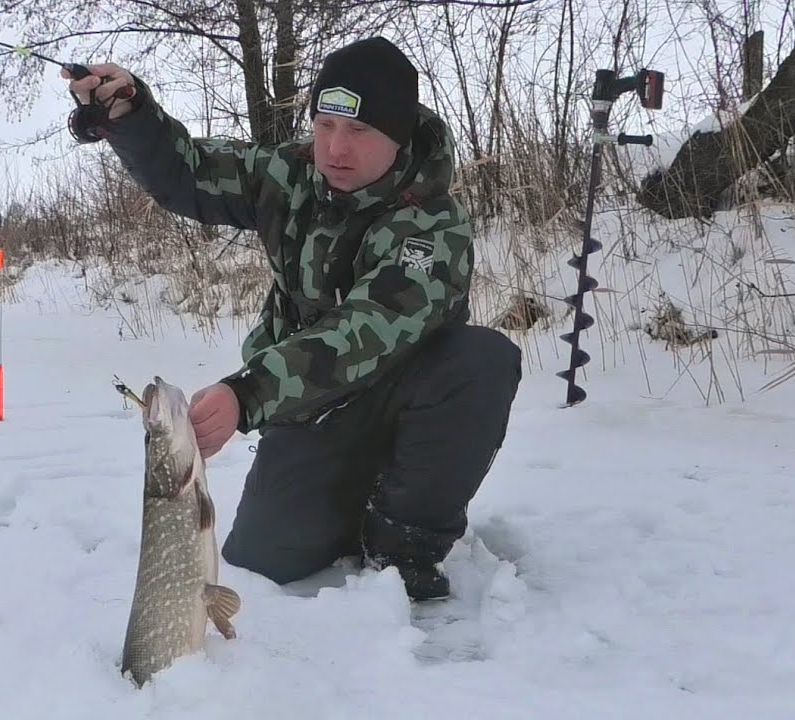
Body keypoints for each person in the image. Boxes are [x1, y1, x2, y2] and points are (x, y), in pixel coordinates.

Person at [63, 37, 522, 601]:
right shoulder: (287, 175)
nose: (335, 148)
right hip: (314, 409)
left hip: (400, 395)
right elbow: (189, 173)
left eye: (358, 131)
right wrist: (130, 118)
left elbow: (362, 333)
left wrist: (247, 393)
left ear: (398, 136)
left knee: (481, 359)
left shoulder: (431, 226)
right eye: (325, 125)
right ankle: (353, 497)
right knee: (262, 560)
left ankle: (405, 545)